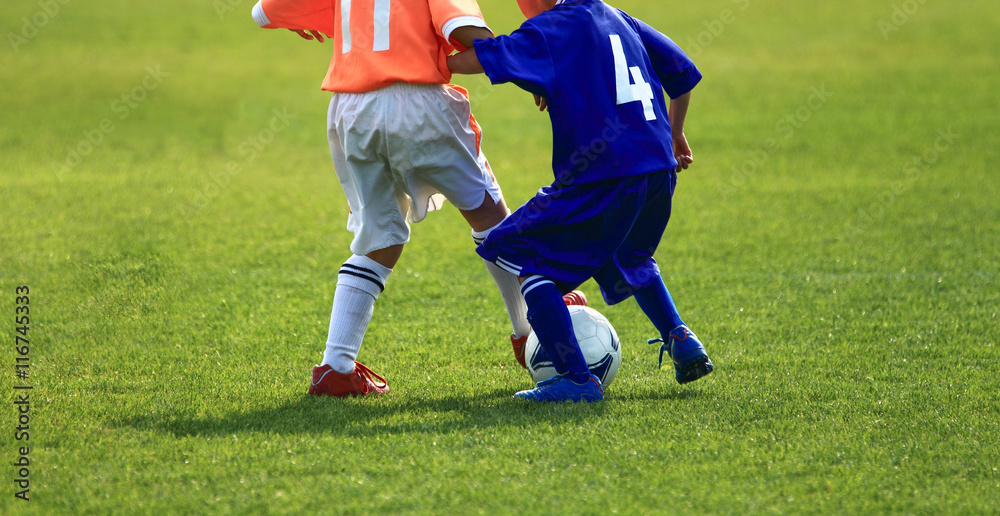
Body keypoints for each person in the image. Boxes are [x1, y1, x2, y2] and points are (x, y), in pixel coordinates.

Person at [251, 0, 585, 397]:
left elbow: (264, 12)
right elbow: (466, 31)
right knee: (489, 216)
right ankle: (530, 329)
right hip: (419, 103)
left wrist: (295, 18)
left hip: (351, 110)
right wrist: (528, 69)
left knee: (379, 239)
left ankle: (335, 367)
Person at [448, 0, 713, 402]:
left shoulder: (551, 27)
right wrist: (675, 135)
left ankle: (575, 378)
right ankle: (681, 339)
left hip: (603, 175)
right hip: (658, 170)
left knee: (520, 253)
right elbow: (682, 74)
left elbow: (480, 58)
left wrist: (422, 61)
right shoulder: (618, 17)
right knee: (629, 254)